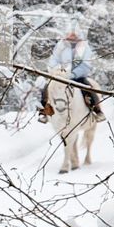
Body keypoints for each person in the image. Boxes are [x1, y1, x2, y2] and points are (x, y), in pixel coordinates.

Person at [42, 19, 102, 171]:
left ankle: (96, 110)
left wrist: (72, 73)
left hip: (77, 75)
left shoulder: (84, 47)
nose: (71, 37)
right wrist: (56, 71)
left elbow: (86, 64)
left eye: (74, 35)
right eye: (69, 35)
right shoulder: (60, 46)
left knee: (88, 87)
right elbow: (53, 60)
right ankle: (45, 110)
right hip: (60, 75)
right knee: (45, 88)